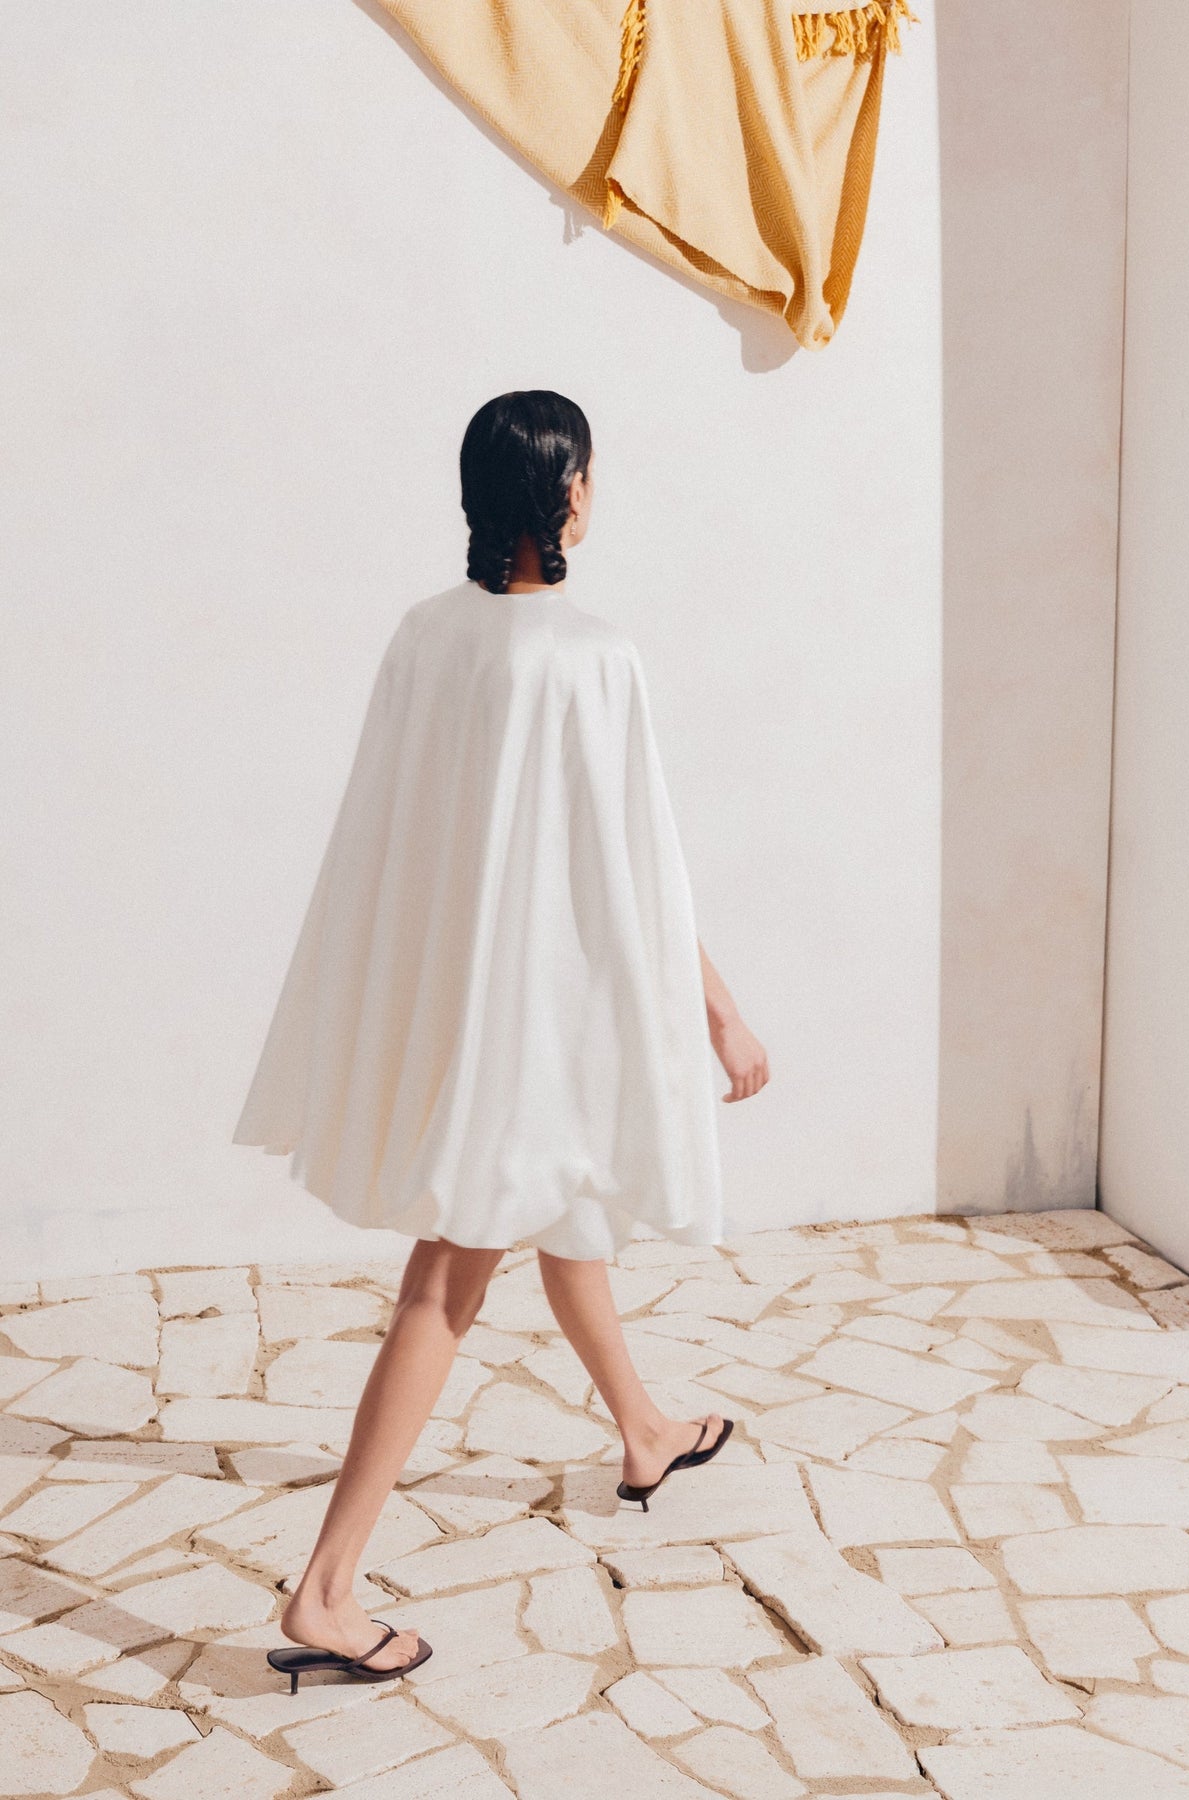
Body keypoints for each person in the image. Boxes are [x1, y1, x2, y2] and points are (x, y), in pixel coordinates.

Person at [233, 390, 769, 1688]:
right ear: (567, 492)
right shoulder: (590, 655)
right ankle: (328, 1587)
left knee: (566, 1207)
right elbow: (639, 871)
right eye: (589, 474)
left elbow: (395, 826)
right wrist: (717, 1012)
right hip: (536, 1019)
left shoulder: (427, 634)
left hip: (476, 1002)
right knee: (447, 1284)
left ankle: (643, 1430)